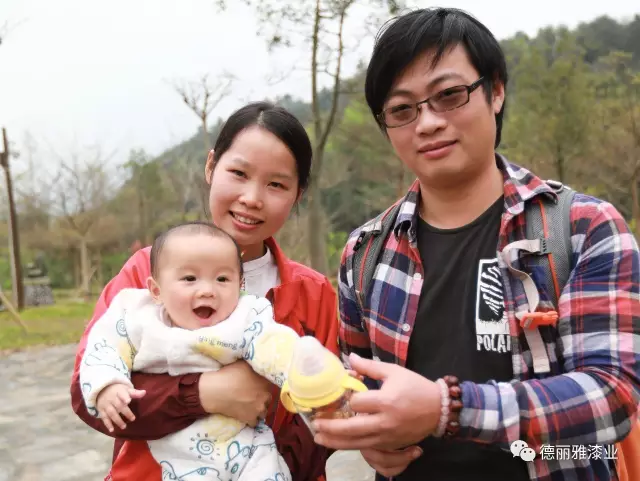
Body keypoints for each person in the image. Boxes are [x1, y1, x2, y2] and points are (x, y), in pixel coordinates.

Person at [311, 7, 640, 481]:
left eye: (449, 95)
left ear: (496, 90)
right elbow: (356, 384)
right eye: (402, 110)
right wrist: (366, 434)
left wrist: (447, 409)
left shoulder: (582, 228)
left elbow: (612, 395)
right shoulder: (365, 254)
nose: (427, 123)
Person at [70, 101, 339, 481]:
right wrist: (202, 393)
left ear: (299, 193)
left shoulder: (313, 293)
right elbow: (88, 394)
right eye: (239, 173)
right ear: (211, 166)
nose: (252, 198)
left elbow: (323, 420)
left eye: (276, 184)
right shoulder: (146, 272)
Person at [80, 221, 313, 481]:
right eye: (190, 279)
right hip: (178, 454)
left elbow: (277, 345)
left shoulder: (245, 317)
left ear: (240, 285)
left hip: (247, 447)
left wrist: (309, 377)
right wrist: (108, 384)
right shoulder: (137, 317)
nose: (207, 291)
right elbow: (103, 348)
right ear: (156, 290)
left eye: (222, 279)